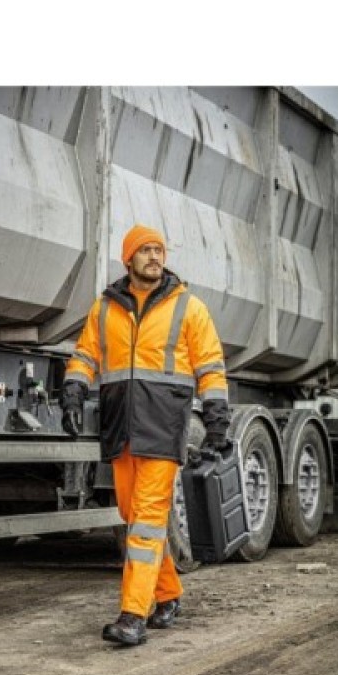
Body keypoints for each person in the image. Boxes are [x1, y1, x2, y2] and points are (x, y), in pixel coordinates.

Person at [60, 224, 231, 646]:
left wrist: (217, 424)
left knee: (148, 519)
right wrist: (73, 393)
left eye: (159, 250)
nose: (154, 256)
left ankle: (133, 615)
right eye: (145, 250)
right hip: (120, 427)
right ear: (129, 258)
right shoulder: (105, 308)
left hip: (163, 426)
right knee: (131, 513)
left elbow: (211, 367)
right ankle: (168, 594)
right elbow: (85, 354)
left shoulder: (188, 307)